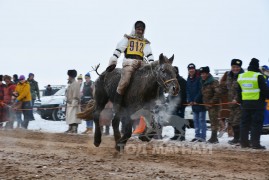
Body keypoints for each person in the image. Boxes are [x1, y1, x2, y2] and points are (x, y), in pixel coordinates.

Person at [106, 20, 154, 112]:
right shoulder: (128, 38)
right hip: (129, 63)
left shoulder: (145, 42)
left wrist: (151, 64)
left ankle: (152, 101)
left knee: (151, 79)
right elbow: (119, 49)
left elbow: (149, 54)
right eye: (138, 29)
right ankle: (117, 103)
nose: (140, 31)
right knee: (125, 80)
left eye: (141, 30)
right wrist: (114, 59)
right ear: (135, 29)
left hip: (141, 63)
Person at [237, 58, 269, 149]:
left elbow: (239, 91)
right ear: (256, 67)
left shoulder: (241, 76)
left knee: (244, 124)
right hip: (257, 104)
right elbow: (265, 91)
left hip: (245, 104)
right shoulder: (258, 76)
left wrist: (241, 102)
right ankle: (255, 144)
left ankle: (244, 143)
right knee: (256, 124)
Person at [220, 59, 244, 145]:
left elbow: (242, 90)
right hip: (231, 103)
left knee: (237, 121)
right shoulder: (229, 75)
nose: (235, 69)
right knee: (232, 121)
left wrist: (237, 99)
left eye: (237, 67)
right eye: (234, 67)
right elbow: (226, 87)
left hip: (239, 103)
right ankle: (236, 138)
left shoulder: (243, 75)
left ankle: (240, 138)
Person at [186, 63, 207, 142]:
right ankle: (197, 136)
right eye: (190, 69)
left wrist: (196, 100)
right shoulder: (188, 78)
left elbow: (201, 90)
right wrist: (189, 100)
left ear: (194, 69)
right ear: (188, 70)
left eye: (192, 69)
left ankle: (203, 137)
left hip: (200, 103)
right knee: (195, 120)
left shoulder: (199, 78)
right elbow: (188, 90)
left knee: (202, 120)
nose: (191, 70)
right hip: (193, 104)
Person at [200, 66, 221, 144]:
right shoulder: (204, 82)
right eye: (201, 74)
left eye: (204, 73)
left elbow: (218, 93)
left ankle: (214, 137)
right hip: (209, 105)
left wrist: (211, 102)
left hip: (214, 105)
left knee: (214, 121)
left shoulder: (213, 82)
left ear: (208, 73)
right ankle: (214, 137)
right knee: (212, 121)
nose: (202, 75)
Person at [168, 66, 187, 141]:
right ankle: (176, 134)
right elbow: (170, 93)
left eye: (174, 72)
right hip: (172, 105)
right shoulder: (171, 81)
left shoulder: (182, 81)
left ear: (177, 72)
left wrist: (181, 103)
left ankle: (182, 136)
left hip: (180, 105)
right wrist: (168, 101)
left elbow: (184, 93)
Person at [65, 69, 81, 134]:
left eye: (69, 76)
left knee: (74, 116)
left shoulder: (76, 84)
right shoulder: (70, 84)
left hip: (74, 103)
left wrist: (74, 102)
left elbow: (76, 94)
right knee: (70, 116)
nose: (68, 77)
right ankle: (70, 128)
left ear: (71, 76)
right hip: (69, 102)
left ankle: (74, 129)